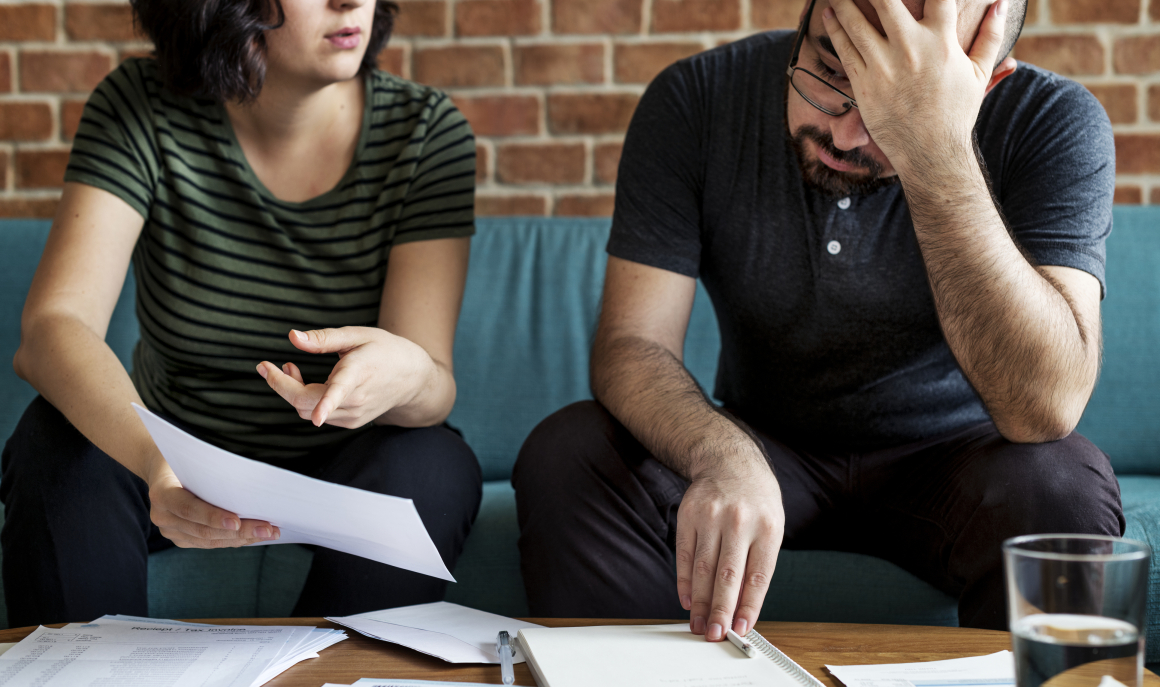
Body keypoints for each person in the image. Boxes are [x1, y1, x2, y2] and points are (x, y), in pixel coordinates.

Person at [513, 0, 1124, 640]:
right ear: (805, 24)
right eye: (832, 75)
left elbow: (1044, 407)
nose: (846, 135)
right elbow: (631, 343)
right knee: (571, 453)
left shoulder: (1054, 122)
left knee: (1064, 491)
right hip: (763, 442)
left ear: (986, 84)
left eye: (894, 104)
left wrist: (934, 148)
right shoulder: (696, 98)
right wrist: (721, 454)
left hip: (955, 460)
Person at [2, 0, 482, 626]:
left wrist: (408, 374)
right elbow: (53, 327)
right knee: (54, 439)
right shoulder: (141, 104)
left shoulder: (424, 130)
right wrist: (157, 464)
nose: (349, 1)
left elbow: (434, 387)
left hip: (343, 469)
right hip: (168, 450)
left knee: (436, 465)